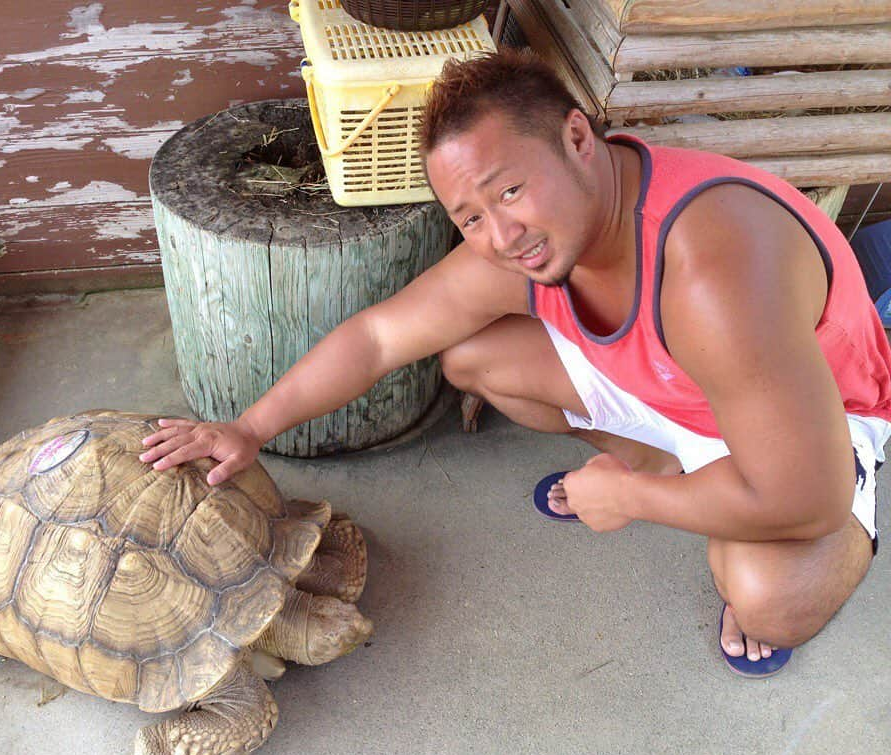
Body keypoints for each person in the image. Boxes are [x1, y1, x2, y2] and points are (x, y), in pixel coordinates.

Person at [139, 50, 891, 677]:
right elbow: (378, 338)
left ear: (576, 137)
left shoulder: (707, 268)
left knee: (767, 598)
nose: (501, 234)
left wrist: (628, 501)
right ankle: (671, 466)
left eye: (511, 189)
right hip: (681, 391)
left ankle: (676, 485)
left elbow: (806, 498)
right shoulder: (530, 241)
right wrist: (247, 428)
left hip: (807, 430)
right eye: (470, 216)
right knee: (473, 357)